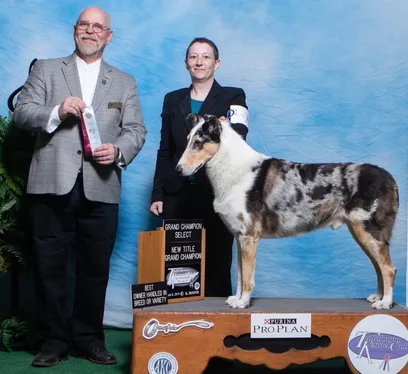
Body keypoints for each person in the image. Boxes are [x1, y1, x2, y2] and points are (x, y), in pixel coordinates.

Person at [14, 6, 147, 368]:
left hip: (101, 187)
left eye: (98, 27)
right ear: (75, 31)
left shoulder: (125, 81)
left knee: (95, 268)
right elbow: (22, 112)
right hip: (51, 183)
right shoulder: (45, 68)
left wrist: (118, 150)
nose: (90, 31)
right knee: (49, 267)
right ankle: (52, 341)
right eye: (84, 25)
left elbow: (136, 130)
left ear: (109, 36)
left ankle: (89, 339)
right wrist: (56, 111)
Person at [150, 37, 249, 297]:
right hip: (178, 193)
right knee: (177, 267)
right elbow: (165, 150)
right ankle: (181, 331)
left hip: (217, 193)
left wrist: (223, 127)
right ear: (186, 63)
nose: (199, 61)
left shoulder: (233, 95)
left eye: (205, 57)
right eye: (193, 56)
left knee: (217, 262)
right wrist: (158, 193)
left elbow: (239, 133)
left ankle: (217, 331)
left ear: (217, 63)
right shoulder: (172, 100)